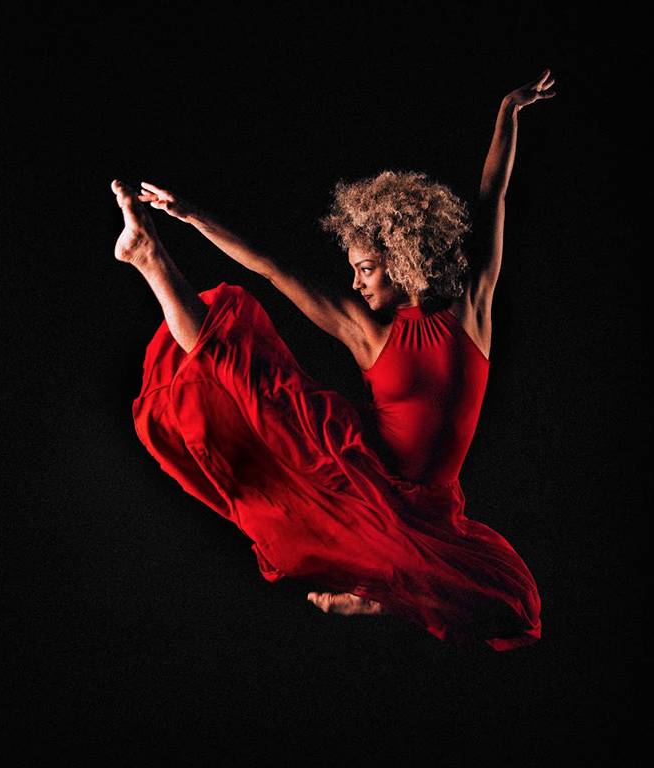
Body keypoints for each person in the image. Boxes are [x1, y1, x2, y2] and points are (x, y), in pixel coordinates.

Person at [113, 68, 556, 650]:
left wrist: (508, 111)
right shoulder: (366, 332)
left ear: (401, 259)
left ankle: (378, 592)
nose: (355, 280)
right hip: (363, 478)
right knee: (250, 372)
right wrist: (193, 215)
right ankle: (150, 257)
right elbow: (273, 267)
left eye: (365, 268)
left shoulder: (472, 309)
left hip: (428, 512)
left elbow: (491, 193)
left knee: (515, 605)